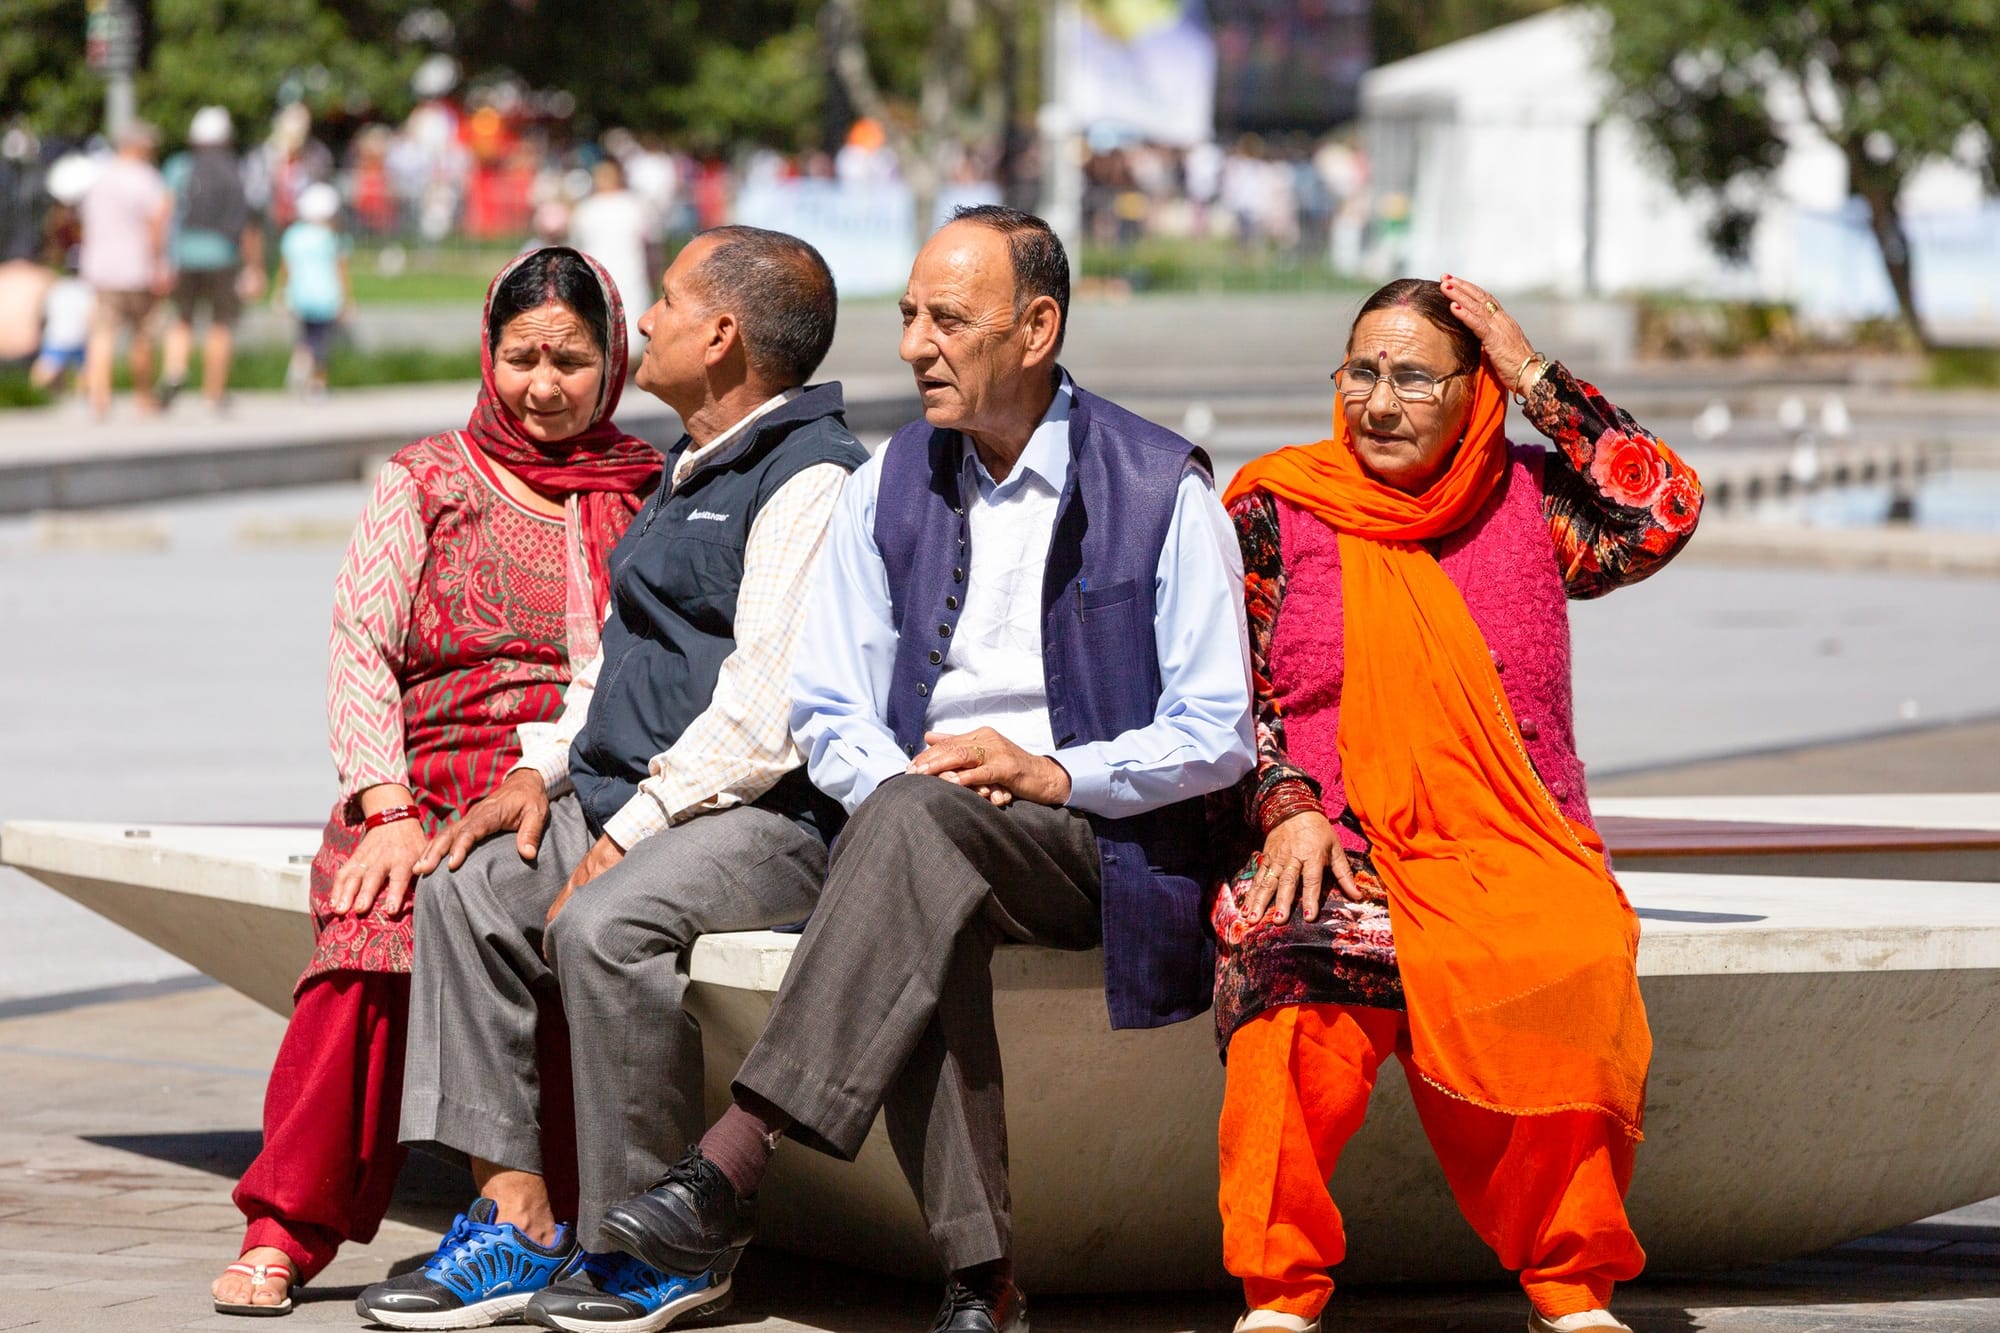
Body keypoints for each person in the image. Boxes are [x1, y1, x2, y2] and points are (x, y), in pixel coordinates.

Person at [596, 206, 1257, 1333]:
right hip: (927, 824)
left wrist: (1051, 772)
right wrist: (902, 786)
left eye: (946, 319)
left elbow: (1215, 730)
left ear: (1037, 326)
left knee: (914, 834)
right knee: (919, 865)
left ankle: (729, 1162)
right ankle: (978, 1284)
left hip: (1101, 835)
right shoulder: (887, 482)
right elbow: (828, 706)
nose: (912, 346)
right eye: (907, 315)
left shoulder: (1161, 488)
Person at [358, 226, 868, 1332]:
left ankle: (654, 1238)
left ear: (722, 333)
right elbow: (607, 662)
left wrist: (630, 827)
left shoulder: (810, 480)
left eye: (668, 305)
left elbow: (763, 715)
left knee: (603, 925)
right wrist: (535, 771)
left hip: (762, 815)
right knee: (462, 885)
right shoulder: (690, 465)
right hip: (628, 789)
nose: (644, 326)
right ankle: (517, 1215)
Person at [1208, 276, 1704, 1333]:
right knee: (1288, 960)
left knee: (1572, 950)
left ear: (1473, 391)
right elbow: (1218, 693)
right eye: (1359, 374)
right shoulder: (1276, 506)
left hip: (1510, 840)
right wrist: (1284, 803)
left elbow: (1661, 507)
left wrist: (1535, 373)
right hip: (1328, 836)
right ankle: (1278, 1289)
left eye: (1411, 379)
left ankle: (1567, 1283)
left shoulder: (1526, 502)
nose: (1376, 404)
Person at [209, 247, 661, 1317]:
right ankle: (284, 1226)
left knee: (566, 921)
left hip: (573, 777)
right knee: (371, 937)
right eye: (521, 358)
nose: (543, 385)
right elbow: (360, 647)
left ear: (615, 363)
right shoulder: (423, 478)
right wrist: (388, 811)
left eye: (572, 359)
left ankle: (550, 1218)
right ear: (486, 354)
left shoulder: (646, 485)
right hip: (419, 779)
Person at [160, 106, 263, 411]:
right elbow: (248, 225)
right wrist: (254, 267)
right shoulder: (237, 170)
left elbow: (164, 213)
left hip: (185, 254)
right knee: (220, 323)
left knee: (182, 318)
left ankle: (174, 370)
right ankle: (214, 391)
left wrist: (161, 255)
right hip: (223, 255)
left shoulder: (180, 166)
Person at [78, 121, 171, 418]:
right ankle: (142, 396)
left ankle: (99, 393)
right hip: (138, 268)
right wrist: (160, 265)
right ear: (139, 145)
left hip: (102, 267)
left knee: (102, 332)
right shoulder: (147, 178)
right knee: (143, 334)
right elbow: (157, 223)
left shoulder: (99, 177)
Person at [567, 157, 654, 352]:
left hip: (630, 272)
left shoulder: (633, 205)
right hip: (598, 274)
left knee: (631, 325)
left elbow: (650, 244)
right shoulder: (587, 208)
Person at [274, 181, 349, 395]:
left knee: (305, 335)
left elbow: (286, 267)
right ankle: (318, 382)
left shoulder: (294, 235)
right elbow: (340, 269)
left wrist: (280, 293)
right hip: (325, 296)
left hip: (300, 294)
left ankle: (299, 366)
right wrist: (346, 298)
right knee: (322, 342)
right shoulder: (332, 237)